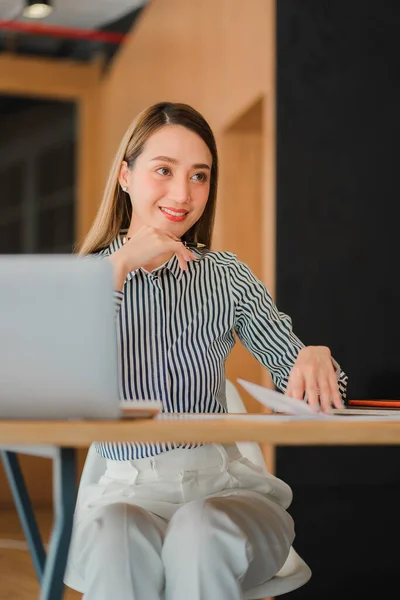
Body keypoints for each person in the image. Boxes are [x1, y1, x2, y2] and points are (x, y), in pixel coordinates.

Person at [65, 102, 348, 600]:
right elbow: (58, 381)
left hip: (225, 490)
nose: (183, 194)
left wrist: (314, 359)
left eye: (199, 175)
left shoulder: (225, 276)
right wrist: (120, 267)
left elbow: (313, 389)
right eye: (163, 171)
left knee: (201, 531)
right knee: (116, 541)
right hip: (126, 493)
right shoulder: (80, 281)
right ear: (126, 177)